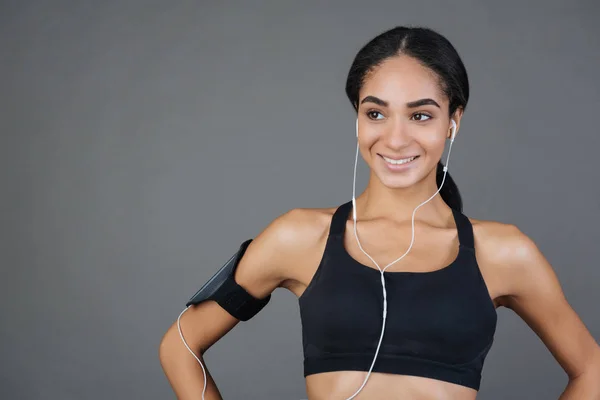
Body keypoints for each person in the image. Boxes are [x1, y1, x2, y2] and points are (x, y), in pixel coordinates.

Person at [159, 26, 600, 400]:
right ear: (358, 118)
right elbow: (181, 344)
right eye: (376, 113)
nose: (395, 139)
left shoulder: (503, 252)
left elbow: (591, 371)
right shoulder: (300, 237)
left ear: (454, 120)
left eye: (421, 116)